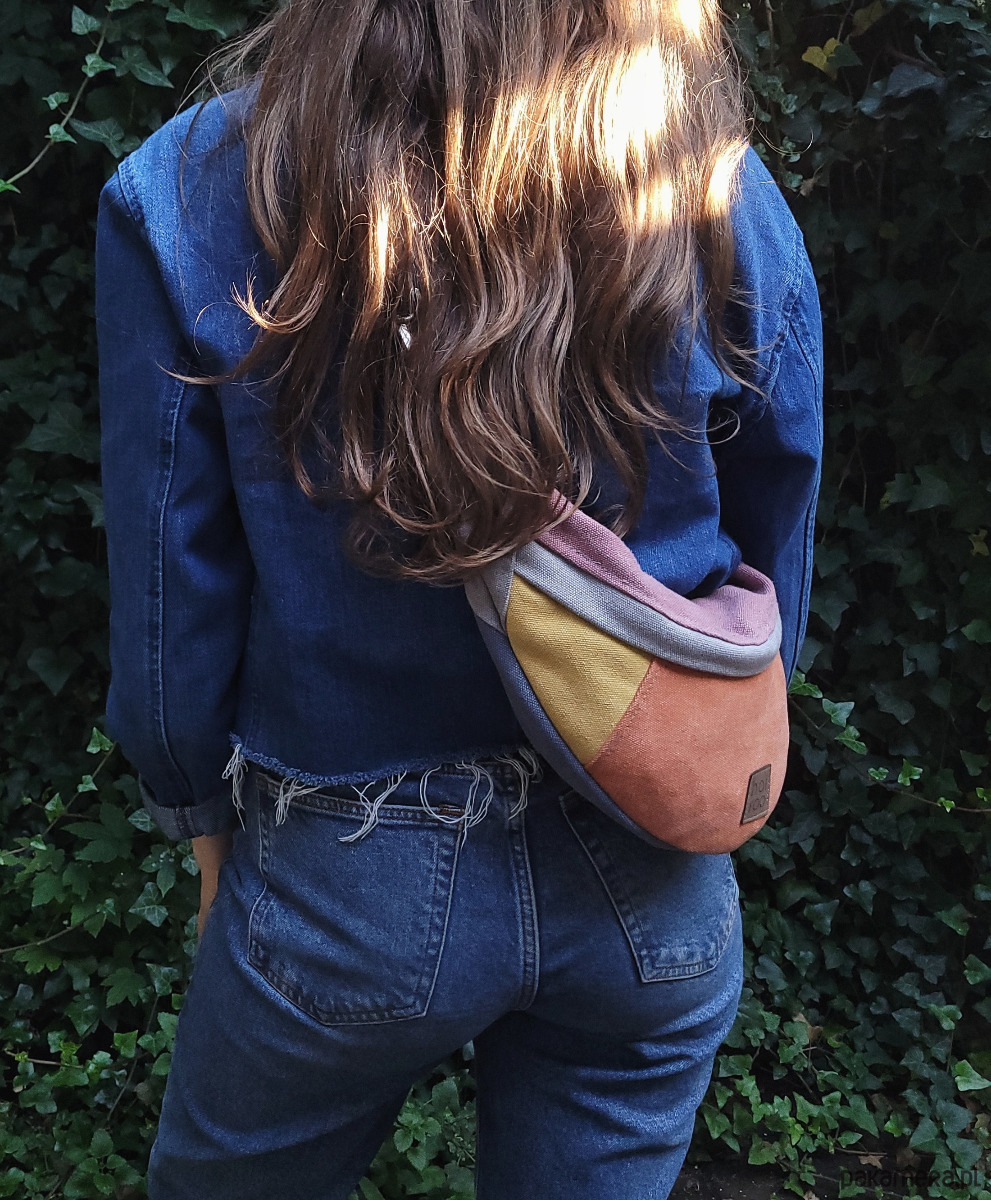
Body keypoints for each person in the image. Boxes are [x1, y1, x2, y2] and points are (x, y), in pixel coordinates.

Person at [95, 0, 823, 1195]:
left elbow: (171, 611)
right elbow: (776, 537)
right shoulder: (709, 182)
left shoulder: (194, 186)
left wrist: (198, 822)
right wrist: (707, 751)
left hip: (345, 874)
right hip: (649, 870)